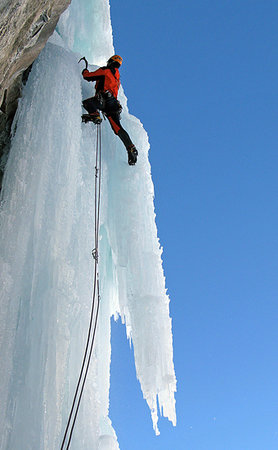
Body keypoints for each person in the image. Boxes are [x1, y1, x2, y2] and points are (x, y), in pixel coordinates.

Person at [81, 55, 138, 166]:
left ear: (110, 62)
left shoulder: (106, 70)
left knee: (88, 103)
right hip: (113, 106)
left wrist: (84, 71)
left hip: (105, 100)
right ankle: (131, 148)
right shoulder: (117, 78)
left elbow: (88, 77)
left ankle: (94, 115)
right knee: (117, 128)